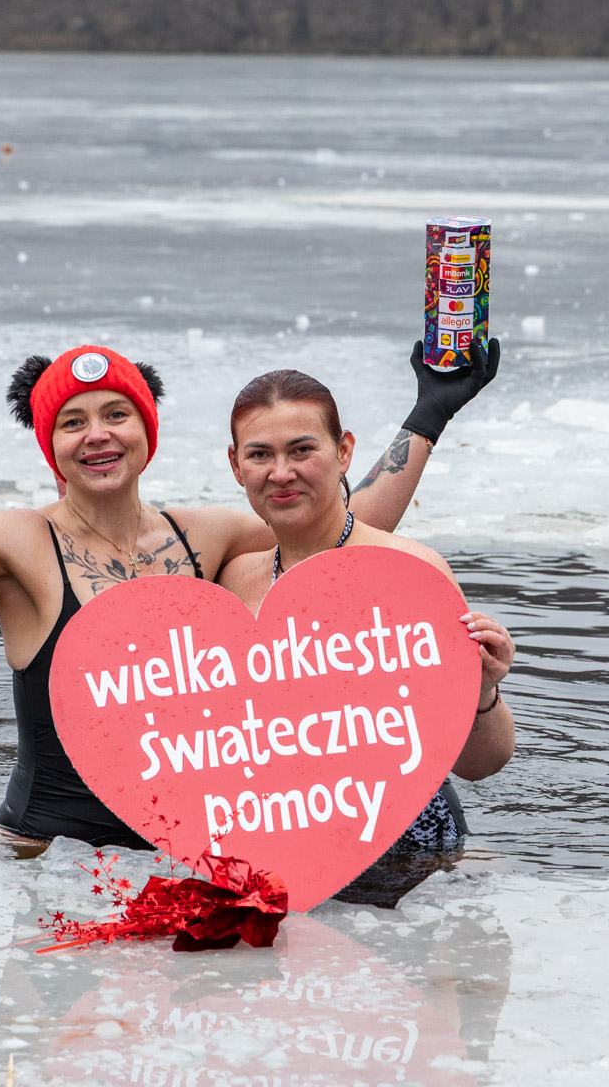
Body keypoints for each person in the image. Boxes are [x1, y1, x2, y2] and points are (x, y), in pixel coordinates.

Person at [0, 329, 500, 849]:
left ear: (145, 431)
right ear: (50, 444)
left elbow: (332, 525)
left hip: (184, 857)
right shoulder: (16, 543)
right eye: (72, 422)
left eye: (115, 414)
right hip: (50, 857)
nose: (97, 435)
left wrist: (427, 416)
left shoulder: (204, 538)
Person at [216, 367, 515, 901]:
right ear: (237, 466)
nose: (281, 472)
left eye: (302, 450)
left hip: (408, 852)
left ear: (344, 452)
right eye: (260, 455)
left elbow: (480, 765)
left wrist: (482, 688)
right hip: (283, 842)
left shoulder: (411, 572)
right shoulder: (236, 581)